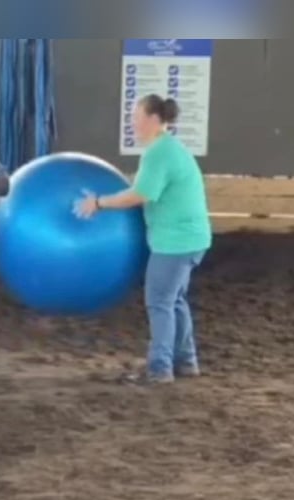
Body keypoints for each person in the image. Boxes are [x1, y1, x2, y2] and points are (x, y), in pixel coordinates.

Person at [74, 94, 212, 385]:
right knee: (174, 300)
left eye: (136, 116)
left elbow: (141, 195)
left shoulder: (158, 153)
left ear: (152, 119)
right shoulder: (169, 148)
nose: (132, 122)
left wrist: (98, 202)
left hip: (175, 241)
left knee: (160, 301)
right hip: (191, 238)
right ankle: (186, 362)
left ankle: (160, 369)